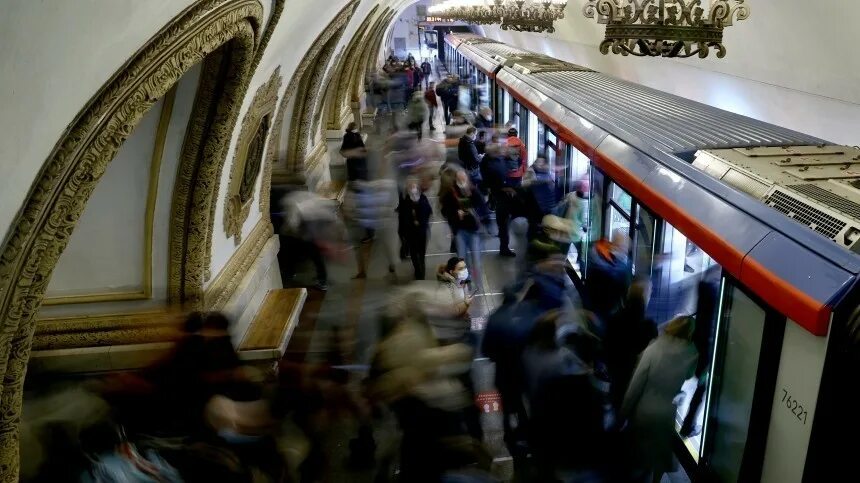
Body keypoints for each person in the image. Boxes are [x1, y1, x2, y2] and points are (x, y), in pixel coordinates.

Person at [622, 315, 698, 483]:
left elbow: (636, 385)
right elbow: (689, 375)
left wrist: (624, 412)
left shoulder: (654, 348)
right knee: (659, 456)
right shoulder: (692, 352)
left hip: (644, 411)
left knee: (640, 455)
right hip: (666, 414)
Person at [440, 171, 488, 292]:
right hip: (460, 231)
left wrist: (471, 212)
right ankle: (466, 282)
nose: (462, 181)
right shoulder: (451, 193)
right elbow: (445, 211)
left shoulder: (473, 191)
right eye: (459, 179)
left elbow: (483, 208)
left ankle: (477, 283)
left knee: (476, 259)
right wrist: (456, 214)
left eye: (464, 179)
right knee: (462, 259)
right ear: (456, 180)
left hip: (473, 231)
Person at [481, 143, 518, 257]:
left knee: (503, 223)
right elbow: (497, 182)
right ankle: (504, 248)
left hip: (500, 196)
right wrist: (506, 188)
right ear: (495, 152)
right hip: (502, 198)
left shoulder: (491, 161)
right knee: (503, 223)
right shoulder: (493, 166)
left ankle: (504, 245)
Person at [397, 178, 433, 280]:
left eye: (414, 186)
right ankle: (418, 270)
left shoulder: (423, 199)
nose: (413, 189)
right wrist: (402, 233)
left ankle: (422, 270)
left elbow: (429, 212)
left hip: (422, 232)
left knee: (421, 253)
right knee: (413, 252)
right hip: (410, 233)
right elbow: (402, 218)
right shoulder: (405, 201)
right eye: (410, 187)